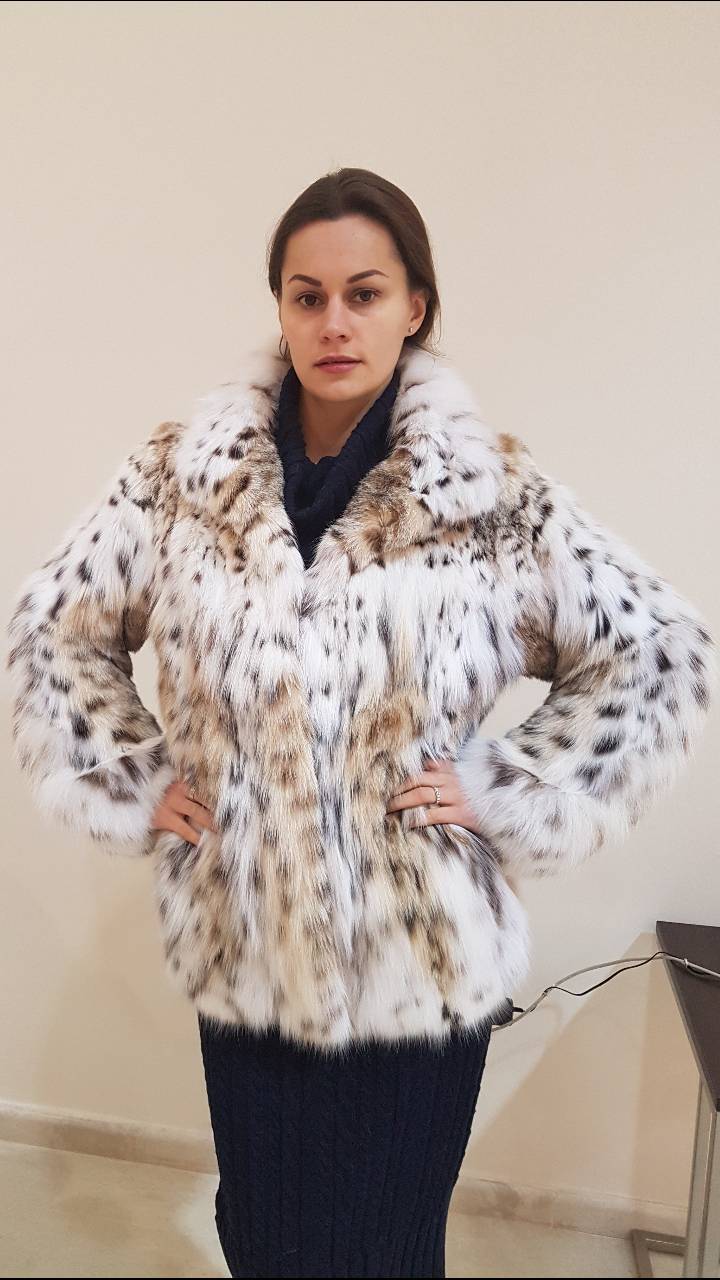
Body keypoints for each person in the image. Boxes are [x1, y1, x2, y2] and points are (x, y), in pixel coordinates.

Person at [5, 167, 715, 1279]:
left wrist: (511, 783)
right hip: (247, 947)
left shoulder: (490, 495)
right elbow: (54, 630)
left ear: (414, 304)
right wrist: (132, 773)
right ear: (282, 308)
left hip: (416, 960)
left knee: (385, 1246)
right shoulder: (179, 480)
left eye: (365, 293)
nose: (334, 322)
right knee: (265, 1234)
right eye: (308, 295)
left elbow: (660, 652)